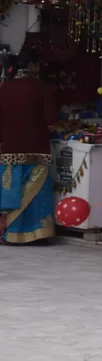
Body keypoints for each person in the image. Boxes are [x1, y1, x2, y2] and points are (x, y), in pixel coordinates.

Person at [0, 51, 59, 244]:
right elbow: (50, 119)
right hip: (36, 146)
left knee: (11, 189)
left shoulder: (3, 88)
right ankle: (37, 234)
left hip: (8, 147)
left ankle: (9, 232)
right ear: (33, 66)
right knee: (36, 192)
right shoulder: (43, 89)